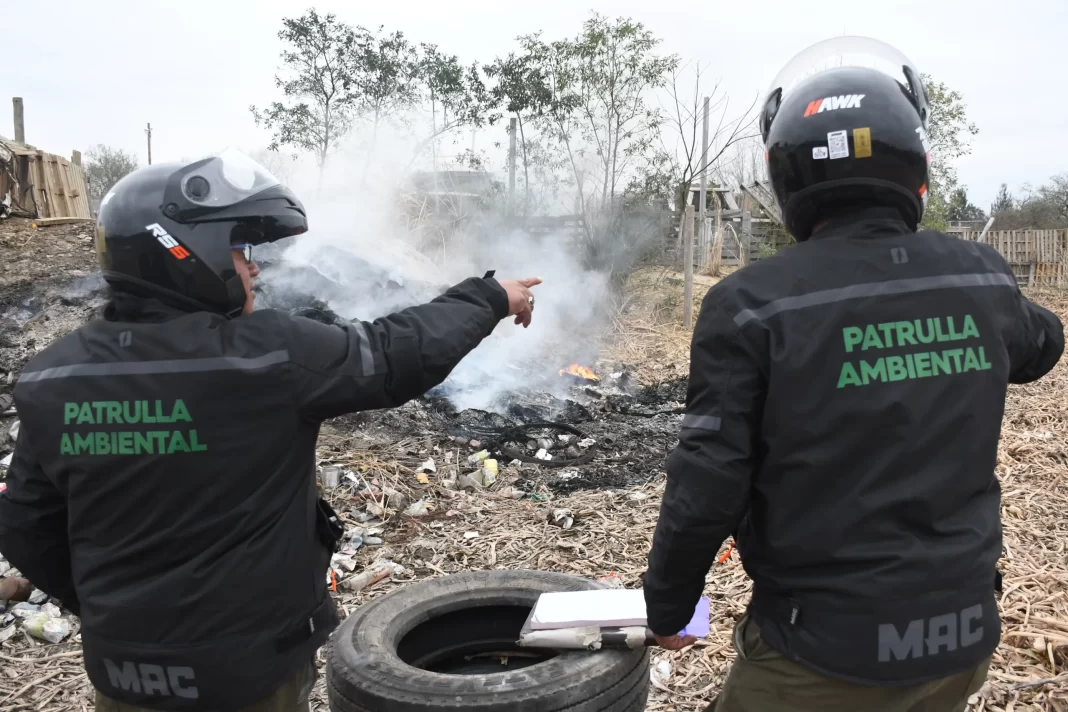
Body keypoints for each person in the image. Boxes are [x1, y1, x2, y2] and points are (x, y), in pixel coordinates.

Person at [0, 151, 541, 711]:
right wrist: (491, 296)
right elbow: (395, 352)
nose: (253, 266)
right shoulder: (266, 358)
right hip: (247, 676)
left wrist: (112, 613)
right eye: (239, 250)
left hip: (123, 676)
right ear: (184, 253)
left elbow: (24, 527)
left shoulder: (51, 378)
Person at [642, 36, 1064, 712]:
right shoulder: (980, 275)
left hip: (819, 656)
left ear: (787, 176)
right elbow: (1044, 343)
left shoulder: (750, 305)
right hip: (961, 638)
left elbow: (708, 481)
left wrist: (668, 606)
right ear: (912, 163)